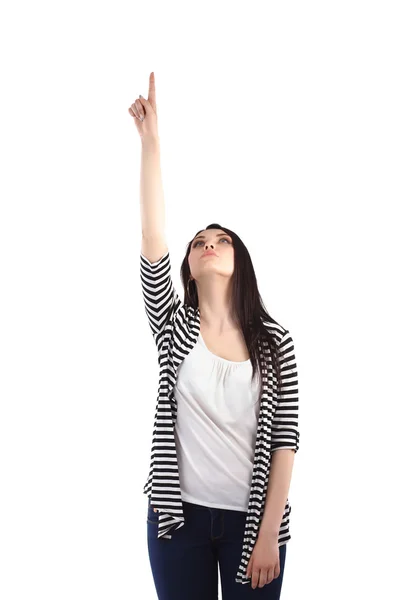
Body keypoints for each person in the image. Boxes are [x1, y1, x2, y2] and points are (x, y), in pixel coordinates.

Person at [129, 72, 300, 600]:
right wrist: (152, 144)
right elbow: (153, 234)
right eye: (200, 240)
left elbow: (286, 443)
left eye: (221, 240)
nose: (208, 244)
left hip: (254, 525)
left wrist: (270, 530)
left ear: (238, 261)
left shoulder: (275, 342)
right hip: (177, 522)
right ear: (188, 263)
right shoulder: (172, 327)